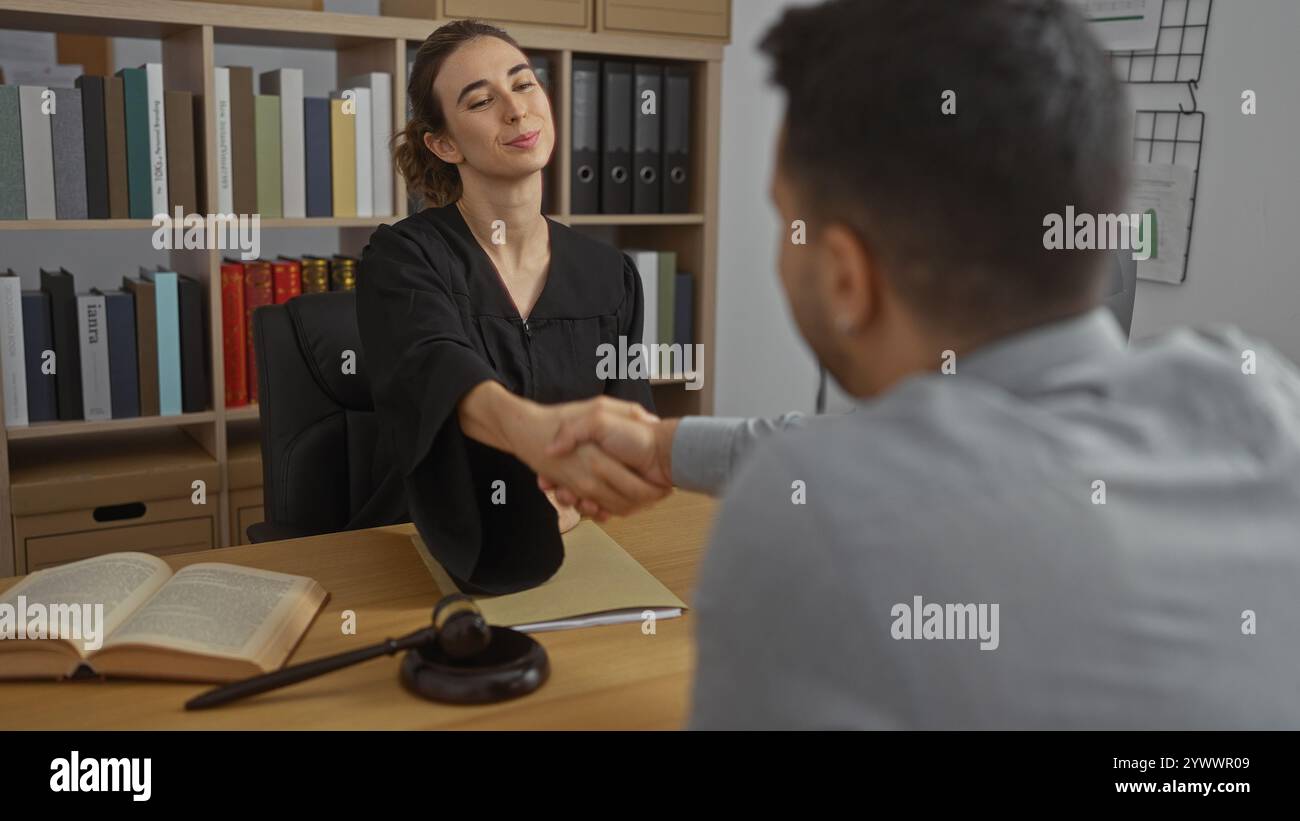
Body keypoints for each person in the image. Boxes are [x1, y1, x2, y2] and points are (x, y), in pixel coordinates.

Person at [538, 0, 1300, 729]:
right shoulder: (1252, 392)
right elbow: (876, 457)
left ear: (845, 276)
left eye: (784, 218)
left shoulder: (813, 527)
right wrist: (666, 445)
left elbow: (858, 476)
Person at [354, 20, 668, 595]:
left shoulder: (610, 274)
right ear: (444, 143)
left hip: (576, 547)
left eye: (524, 85)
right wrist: (538, 434)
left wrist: (576, 499)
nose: (517, 111)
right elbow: (437, 368)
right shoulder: (403, 259)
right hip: (423, 553)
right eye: (481, 100)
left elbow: (628, 428)